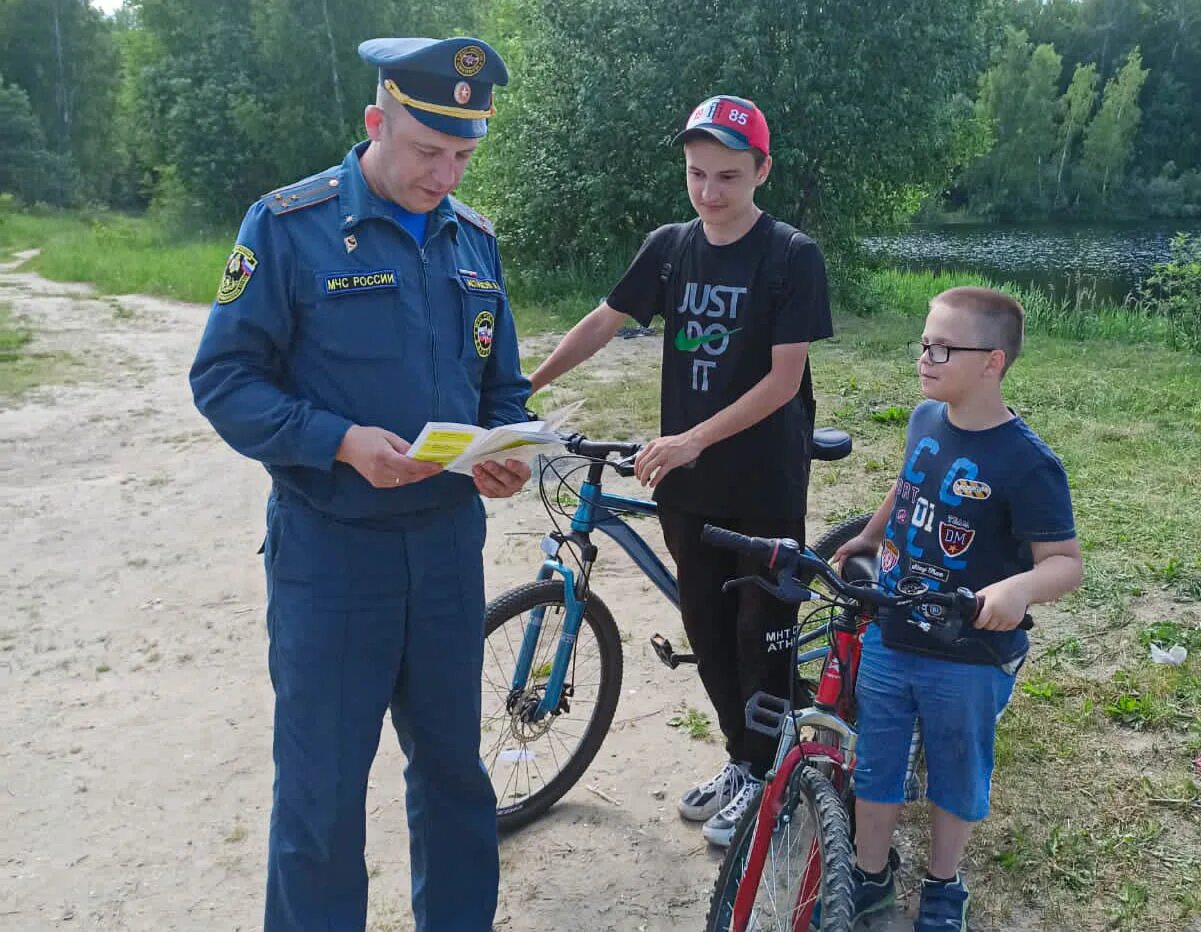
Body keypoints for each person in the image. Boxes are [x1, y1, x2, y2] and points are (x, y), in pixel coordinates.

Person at [189, 36, 531, 932]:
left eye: (463, 155)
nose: (444, 176)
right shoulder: (288, 226)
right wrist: (339, 442)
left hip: (448, 551)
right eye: (427, 151)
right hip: (332, 556)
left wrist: (506, 451)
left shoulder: (473, 239)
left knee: (456, 774)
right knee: (323, 794)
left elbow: (502, 386)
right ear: (376, 122)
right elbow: (225, 381)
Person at [528, 95, 833, 847]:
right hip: (688, 484)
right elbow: (605, 319)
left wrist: (692, 437)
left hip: (760, 481)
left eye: (728, 176)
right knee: (705, 626)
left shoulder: (791, 256)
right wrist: (525, 386)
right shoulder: (669, 247)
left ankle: (769, 777)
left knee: (759, 637)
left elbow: (783, 381)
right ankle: (743, 760)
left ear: (761, 170)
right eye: (696, 174)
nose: (709, 192)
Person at [827, 287, 1083, 932]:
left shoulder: (1028, 462)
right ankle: (870, 870)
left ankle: (944, 882)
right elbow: (908, 482)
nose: (925, 357)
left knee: (955, 766)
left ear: (992, 362)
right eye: (923, 344)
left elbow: (1065, 562)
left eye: (943, 347)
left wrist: (1018, 589)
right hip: (892, 628)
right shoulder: (925, 418)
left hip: (970, 654)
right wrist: (869, 535)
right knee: (878, 760)